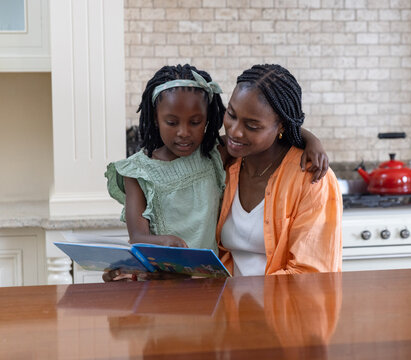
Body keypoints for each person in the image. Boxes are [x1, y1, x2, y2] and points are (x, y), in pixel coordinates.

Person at [103, 64, 329, 281]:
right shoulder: (139, 171)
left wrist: (310, 140)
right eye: (231, 115)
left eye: (195, 122)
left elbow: (278, 122)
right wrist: (162, 245)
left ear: (207, 119)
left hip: (214, 290)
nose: (183, 133)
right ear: (155, 118)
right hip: (168, 282)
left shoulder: (213, 155)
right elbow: (138, 237)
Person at [217, 64, 342, 276]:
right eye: (231, 114)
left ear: (281, 126)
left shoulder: (312, 178)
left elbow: (311, 272)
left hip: (283, 308)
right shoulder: (225, 165)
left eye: (252, 126)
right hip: (228, 306)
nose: (235, 131)